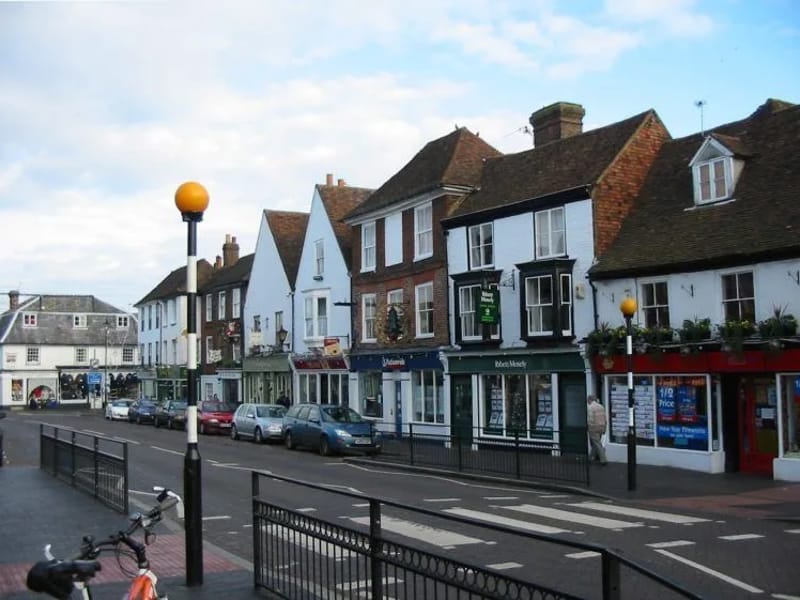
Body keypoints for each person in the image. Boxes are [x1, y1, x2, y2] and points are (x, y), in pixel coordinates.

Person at [586, 394, 607, 465]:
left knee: (597, 443)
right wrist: (604, 428)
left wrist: (589, 427)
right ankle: (590, 457)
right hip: (601, 427)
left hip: (593, 427)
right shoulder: (601, 406)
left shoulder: (591, 407)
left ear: (590, 400)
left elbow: (590, 419)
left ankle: (603, 460)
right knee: (596, 443)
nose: (587, 402)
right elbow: (605, 418)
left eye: (587, 400)